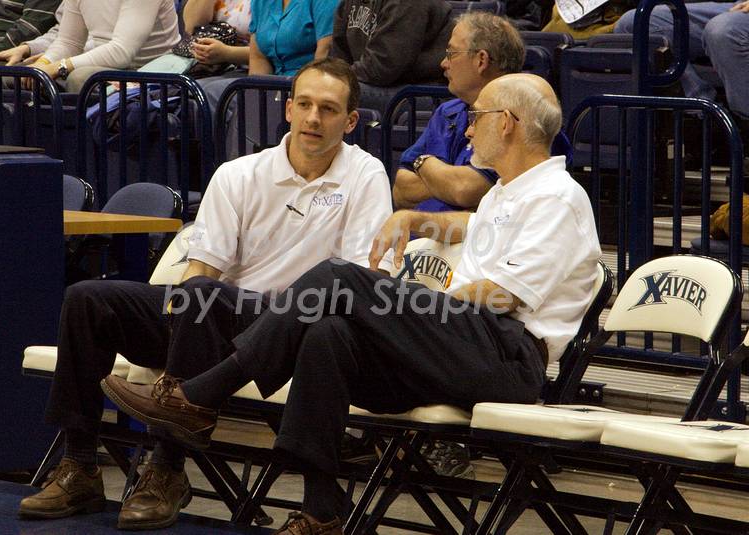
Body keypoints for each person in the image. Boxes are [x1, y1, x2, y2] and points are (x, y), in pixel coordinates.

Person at [101, 73, 603, 535]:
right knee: (327, 336)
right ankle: (322, 510)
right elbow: (474, 229)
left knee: (342, 278)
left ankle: (202, 394)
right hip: (462, 344)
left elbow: (502, 294)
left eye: (476, 117)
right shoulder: (507, 193)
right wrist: (415, 221)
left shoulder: (557, 197)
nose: (467, 130)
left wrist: (412, 306)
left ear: (509, 125)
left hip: (506, 357)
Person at [18, 57, 394, 531]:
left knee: (204, 299)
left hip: (295, 328)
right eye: (305, 104)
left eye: (329, 109)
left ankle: (166, 469)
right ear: (287, 108)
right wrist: (179, 314)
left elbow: (355, 282)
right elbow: (204, 268)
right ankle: (78, 467)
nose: (314, 118)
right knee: (90, 298)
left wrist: (198, 303)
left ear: (351, 120)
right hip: (215, 316)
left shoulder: (365, 176)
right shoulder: (238, 174)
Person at [394, 12, 570, 214]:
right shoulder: (446, 113)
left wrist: (423, 164)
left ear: (481, 60)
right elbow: (401, 190)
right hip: (423, 239)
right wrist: (451, 181)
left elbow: (465, 190)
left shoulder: (525, 117)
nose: (443, 63)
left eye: (451, 53)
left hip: (480, 239)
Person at [615, 1, 749, 124]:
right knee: (634, 23)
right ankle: (708, 114)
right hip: (733, 5)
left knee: (723, 31)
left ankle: (744, 125)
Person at [15, 0, 180, 93]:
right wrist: (44, 63)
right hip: (107, 65)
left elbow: (122, 51)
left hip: (154, 74)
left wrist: (59, 66)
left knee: (81, 77)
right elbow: (69, 42)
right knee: (18, 74)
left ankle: (86, 150)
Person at [330, 0, 453, 112]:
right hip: (377, 82)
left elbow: (382, 67)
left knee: (332, 92)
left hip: (422, 90)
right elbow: (338, 55)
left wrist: (337, 80)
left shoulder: (410, 4)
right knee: (323, 87)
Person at [0, 2, 95, 66]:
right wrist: (27, 48)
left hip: (92, 64)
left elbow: (106, 43)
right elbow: (64, 36)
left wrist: (56, 60)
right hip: (62, 57)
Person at [248, 0, 340, 76]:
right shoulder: (259, 2)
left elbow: (325, 56)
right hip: (273, 87)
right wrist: (258, 94)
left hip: (310, 83)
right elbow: (259, 58)